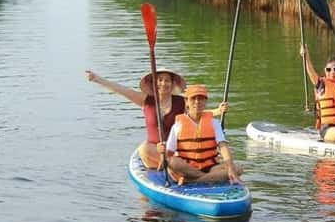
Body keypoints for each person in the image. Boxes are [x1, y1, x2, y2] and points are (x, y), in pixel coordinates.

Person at [85, 68, 229, 168]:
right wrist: (98, 79)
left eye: (167, 80)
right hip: (154, 150)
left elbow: (198, 111)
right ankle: (164, 167)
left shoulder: (181, 101)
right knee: (144, 149)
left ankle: (180, 167)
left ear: (172, 84)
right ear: (155, 83)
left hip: (176, 150)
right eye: (160, 80)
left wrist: (217, 110)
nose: (163, 84)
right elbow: (121, 90)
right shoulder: (146, 100)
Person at [156, 84, 244, 185]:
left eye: (201, 98)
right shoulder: (178, 125)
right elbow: (169, 153)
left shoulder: (214, 123)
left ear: (205, 102)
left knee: (238, 168)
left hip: (211, 167)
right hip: (187, 167)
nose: (197, 102)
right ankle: (208, 178)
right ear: (186, 102)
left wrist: (231, 168)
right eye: (193, 98)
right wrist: (162, 154)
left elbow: (223, 146)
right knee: (172, 162)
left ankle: (195, 180)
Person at [301, 46, 335, 143]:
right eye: (329, 69)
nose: (332, 72)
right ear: (325, 71)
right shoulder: (321, 84)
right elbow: (311, 72)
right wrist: (306, 56)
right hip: (328, 128)